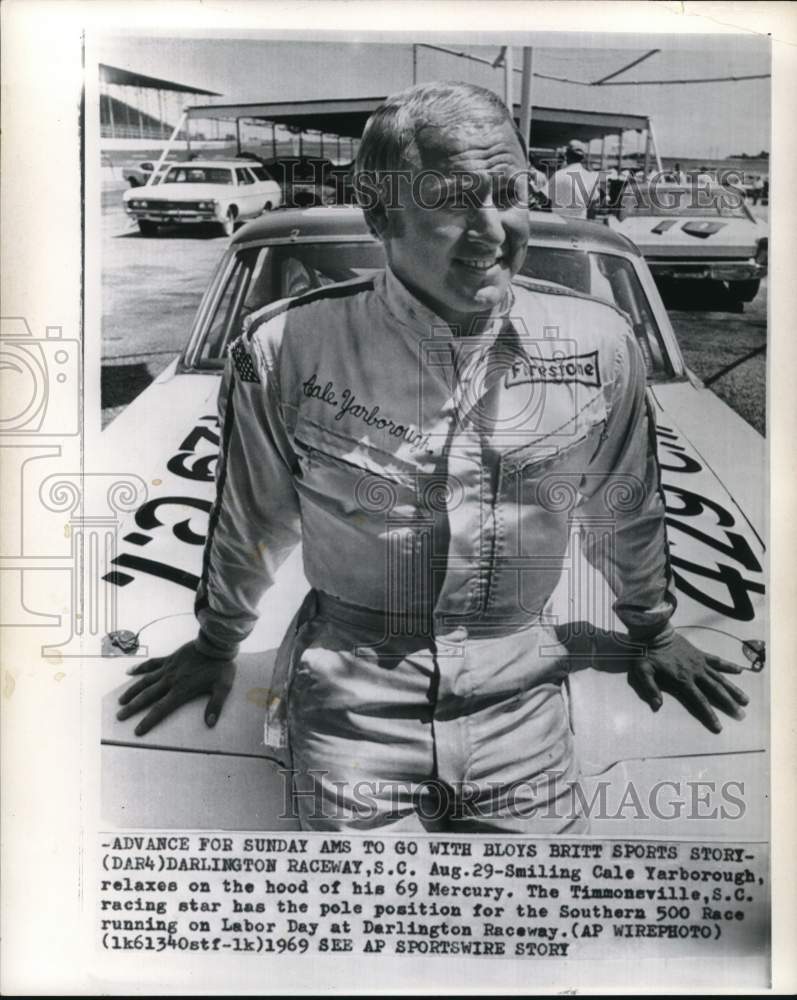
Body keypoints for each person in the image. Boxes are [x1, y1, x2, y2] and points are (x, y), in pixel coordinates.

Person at [117, 82, 748, 833]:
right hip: (351, 697)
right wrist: (217, 641)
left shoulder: (599, 342)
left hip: (524, 694)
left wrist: (651, 630)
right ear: (381, 217)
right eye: (451, 200)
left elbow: (625, 504)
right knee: (356, 926)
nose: (492, 231)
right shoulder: (285, 347)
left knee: (533, 922)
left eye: (509, 193)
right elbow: (251, 518)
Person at [545, 139, 600, 218]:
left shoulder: (558, 175)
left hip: (557, 223)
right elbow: (592, 206)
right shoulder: (590, 177)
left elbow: (547, 201)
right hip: (579, 224)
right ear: (583, 158)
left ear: (567, 155)